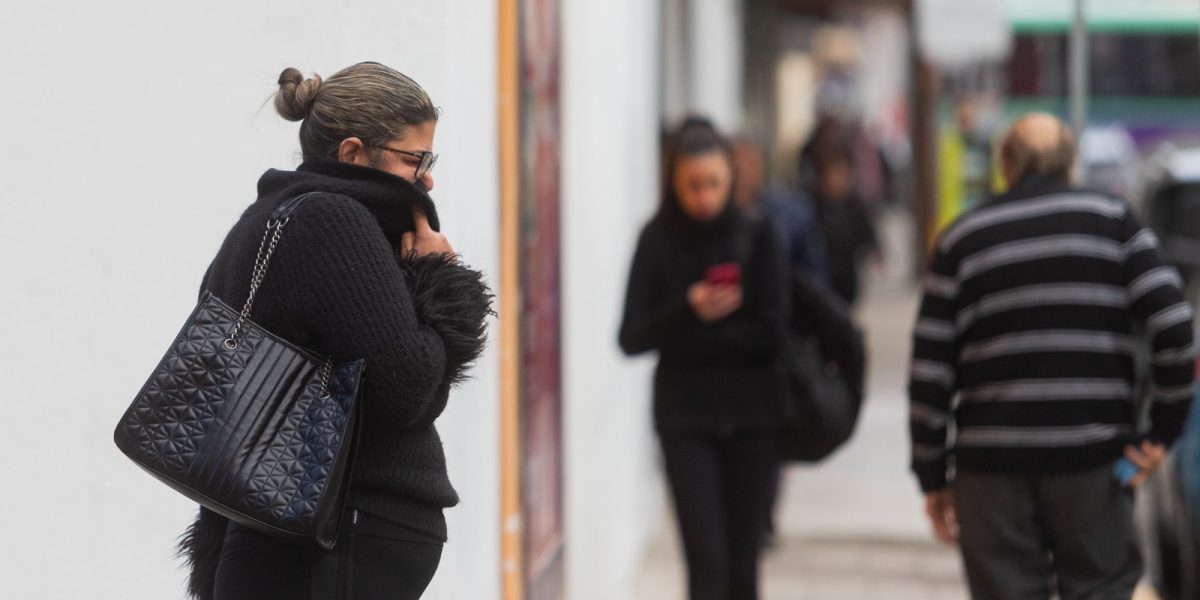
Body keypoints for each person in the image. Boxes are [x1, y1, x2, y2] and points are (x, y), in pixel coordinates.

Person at [177, 62, 493, 600]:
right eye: (415, 159)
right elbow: (409, 389)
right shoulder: (333, 223)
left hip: (279, 527)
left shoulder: (259, 221)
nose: (427, 179)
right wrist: (442, 280)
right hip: (336, 530)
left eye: (430, 160)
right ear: (352, 153)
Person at [909, 113, 1195, 599]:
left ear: (1005, 166)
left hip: (989, 474)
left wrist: (932, 475)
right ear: (1070, 164)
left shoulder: (960, 238)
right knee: (1101, 588)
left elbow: (929, 372)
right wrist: (1160, 433)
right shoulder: (1113, 222)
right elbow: (1173, 324)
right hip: (1096, 465)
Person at [619, 118, 788, 600]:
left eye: (714, 182)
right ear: (674, 182)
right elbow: (631, 337)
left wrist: (696, 338)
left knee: (743, 566)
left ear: (731, 176)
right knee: (706, 565)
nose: (705, 196)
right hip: (685, 421)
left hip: (753, 419)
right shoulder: (656, 238)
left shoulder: (758, 234)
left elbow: (774, 332)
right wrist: (687, 308)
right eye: (693, 185)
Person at [811, 145, 880, 307]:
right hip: (824, 278)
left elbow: (867, 231)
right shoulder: (813, 206)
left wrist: (873, 249)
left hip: (847, 277)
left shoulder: (853, 205)